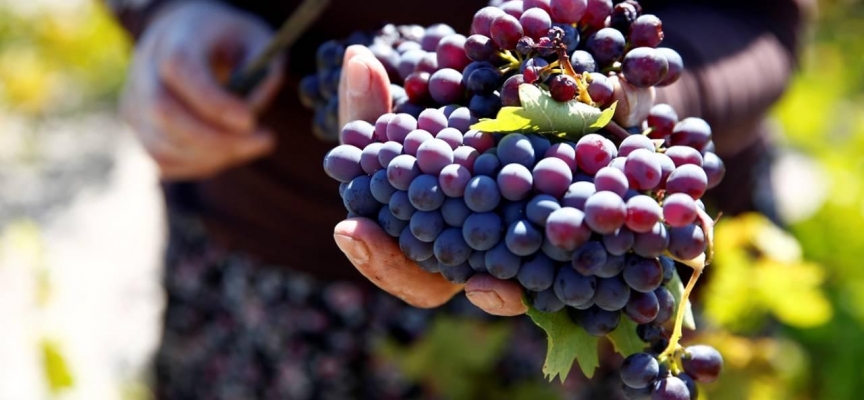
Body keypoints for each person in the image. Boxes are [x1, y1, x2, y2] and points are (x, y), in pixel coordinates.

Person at [107, 0, 812, 398]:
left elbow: (759, 13)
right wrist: (168, 14)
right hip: (277, 264)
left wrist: (633, 106)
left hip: (622, 274)